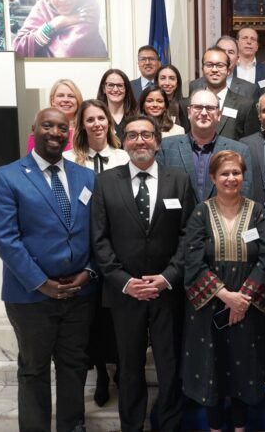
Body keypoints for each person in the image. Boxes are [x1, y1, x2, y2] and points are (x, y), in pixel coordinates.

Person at [0, 108, 97, 432]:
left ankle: (72, 427)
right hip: (30, 297)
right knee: (34, 370)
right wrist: (42, 283)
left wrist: (90, 271)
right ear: (34, 130)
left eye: (62, 127)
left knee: (73, 366)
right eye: (47, 125)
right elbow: (6, 240)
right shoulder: (8, 177)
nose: (55, 132)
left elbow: (97, 231)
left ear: (69, 133)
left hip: (79, 294)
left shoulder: (86, 177)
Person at [91, 115, 196, 432]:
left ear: (158, 142)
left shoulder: (179, 180)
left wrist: (168, 277)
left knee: (169, 365)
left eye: (147, 135)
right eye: (133, 135)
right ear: (123, 141)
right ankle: (132, 425)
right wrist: (124, 282)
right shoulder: (105, 182)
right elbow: (99, 239)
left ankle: (169, 423)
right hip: (125, 294)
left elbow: (189, 237)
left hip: (168, 291)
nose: (140, 141)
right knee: (130, 366)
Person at [182, 150, 265, 432]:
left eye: (236, 173)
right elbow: (193, 261)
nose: (231, 178)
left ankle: (240, 427)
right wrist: (226, 297)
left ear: (243, 176)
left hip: (248, 307)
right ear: (213, 177)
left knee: (243, 368)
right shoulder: (201, 211)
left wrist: (241, 301)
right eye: (224, 173)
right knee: (212, 367)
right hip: (209, 307)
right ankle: (214, 427)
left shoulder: (257, 210)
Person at [62, 99, 127, 406]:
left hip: (118, 248)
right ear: (82, 125)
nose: (98, 124)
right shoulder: (68, 160)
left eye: (102, 118)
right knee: (92, 318)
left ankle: (119, 368)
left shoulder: (123, 156)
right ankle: (100, 370)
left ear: (109, 122)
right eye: (91, 119)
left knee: (115, 316)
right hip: (85, 250)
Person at [157, 89, 254, 203]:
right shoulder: (166, 147)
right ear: (189, 113)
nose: (203, 113)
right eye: (198, 107)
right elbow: (159, 191)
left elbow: (245, 195)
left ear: (219, 115)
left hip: (223, 219)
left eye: (209, 108)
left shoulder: (239, 151)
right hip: (178, 219)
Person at [13, 0, 107, 58]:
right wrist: (57, 23)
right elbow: (18, 49)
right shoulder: (42, 7)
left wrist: (38, 39)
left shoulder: (88, 8)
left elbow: (68, 53)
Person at [187, 46, 259, 140]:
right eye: (209, 65)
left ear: (228, 70)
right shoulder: (190, 104)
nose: (214, 70)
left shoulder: (245, 106)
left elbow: (252, 143)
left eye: (220, 65)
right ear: (203, 69)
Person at [190, 36, 259, 100]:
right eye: (221, 51)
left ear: (237, 58)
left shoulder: (249, 89)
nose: (226, 55)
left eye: (231, 52)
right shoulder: (196, 85)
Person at [26, 79, 82, 153]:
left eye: (71, 96)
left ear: (77, 101)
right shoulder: (39, 131)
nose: (66, 100)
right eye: (60, 95)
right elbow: (31, 162)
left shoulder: (85, 130)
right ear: (53, 101)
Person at [96, 69, 138, 142]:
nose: (115, 89)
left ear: (126, 89)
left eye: (120, 85)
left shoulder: (137, 116)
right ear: (103, 89)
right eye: (111, 85)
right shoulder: (96, 117)